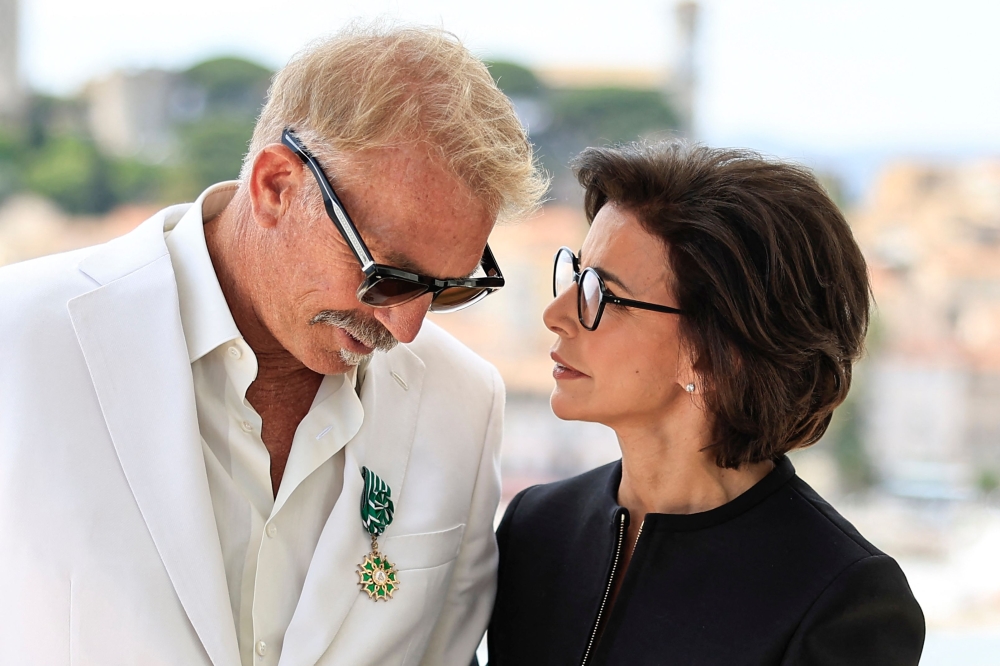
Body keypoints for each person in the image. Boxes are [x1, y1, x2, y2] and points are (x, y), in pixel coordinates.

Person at [0, 25, 545, 666]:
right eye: (389, 277)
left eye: (447, 290)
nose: (407, 329)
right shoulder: (19, 339)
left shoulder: (466, 403)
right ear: (276, 187)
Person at [487, 142, 925, 665]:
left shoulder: (839, 598)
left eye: (599, 292)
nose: (556, 313)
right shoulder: (538, 526)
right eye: (574, 272)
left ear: (715, 350)